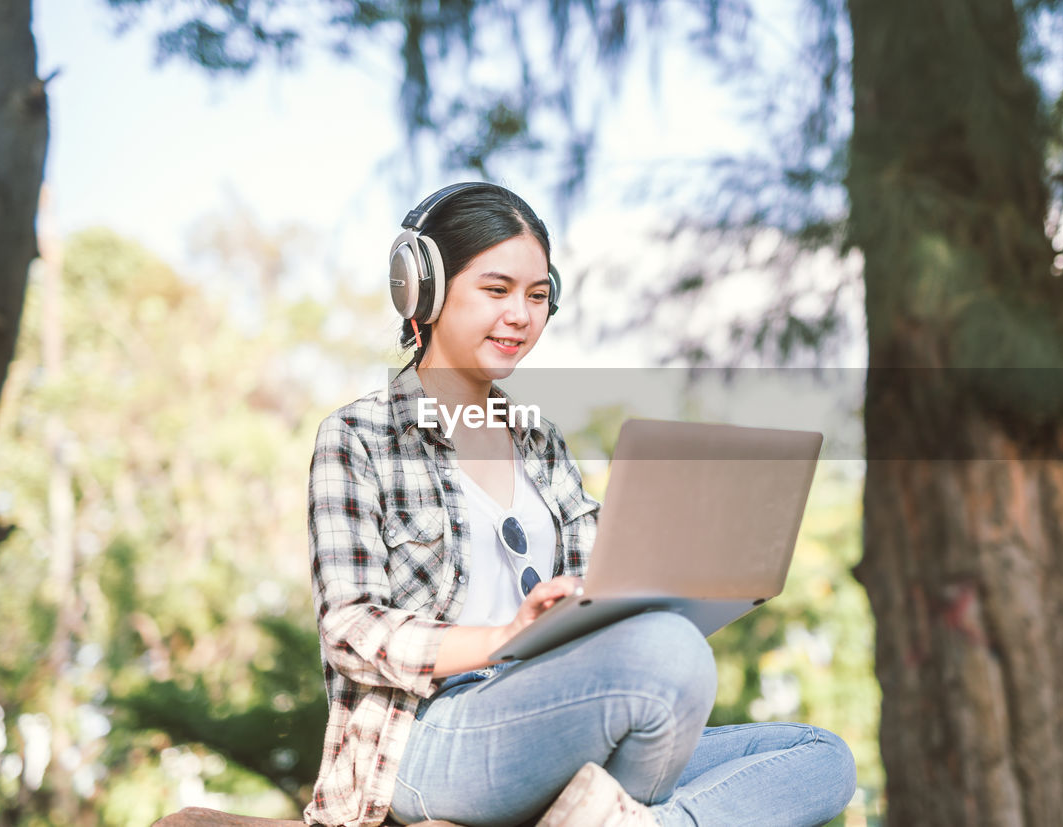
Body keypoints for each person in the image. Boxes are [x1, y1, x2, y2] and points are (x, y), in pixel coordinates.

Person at [304, 182, 856, 827]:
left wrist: (694, 577)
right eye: (497, 289)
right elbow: (349, 630)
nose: (521, 315)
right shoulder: (359, 437)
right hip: (427, 738)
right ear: (421, 291)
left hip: (555, 714)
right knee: (669, 652)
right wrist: (503, 637)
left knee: (819, 758)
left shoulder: (539, 441)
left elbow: (603, 581)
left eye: (538, 297)